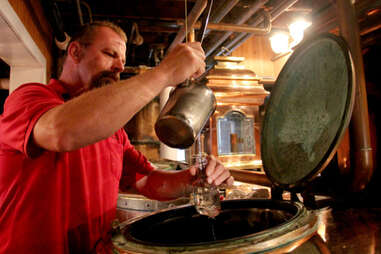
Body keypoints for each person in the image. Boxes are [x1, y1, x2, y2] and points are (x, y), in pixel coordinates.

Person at [0, 21, 234, 253]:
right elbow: (60, 132)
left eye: (123, 61)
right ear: (75, 51)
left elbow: (147, 181)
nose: (119, 67)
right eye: (110, 54)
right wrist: (164, 73)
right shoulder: (31, 98)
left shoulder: (112, 130)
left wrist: (193, 179)